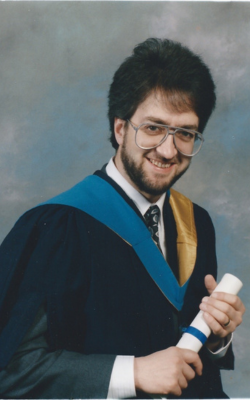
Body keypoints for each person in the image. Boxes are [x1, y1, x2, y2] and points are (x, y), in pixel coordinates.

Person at [0, 38, 245, 399]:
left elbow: (191, 360)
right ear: (120, 129)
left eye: (185, 134)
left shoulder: (196, 223)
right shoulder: (58, 228)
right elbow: (13, 373)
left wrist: (218, 338)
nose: (167, 150)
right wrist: (134, 372)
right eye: (153, 128)